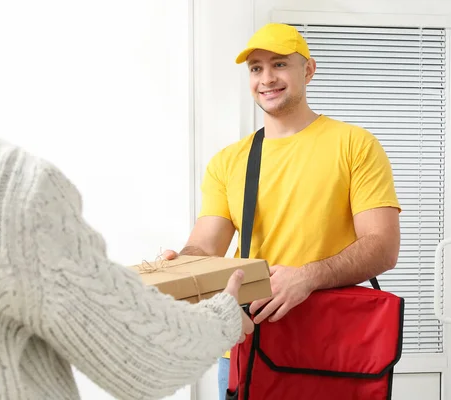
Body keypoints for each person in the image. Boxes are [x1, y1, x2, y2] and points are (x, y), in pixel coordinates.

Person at [163, 23, 402, 399]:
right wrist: (180, 267)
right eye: (256, 68)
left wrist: (308, 277)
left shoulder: (355, 144)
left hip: (331, 346)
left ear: (308, 70)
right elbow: (205, 248)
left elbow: (383, 246)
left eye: (279, 64)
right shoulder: (229, 161)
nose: (267, 78)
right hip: (248, 342)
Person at [0, 133, 254, 400]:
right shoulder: (16, 186)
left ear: (301, 87)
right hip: (243, 343)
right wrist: (223, 315)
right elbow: (146, 355)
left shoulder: (12, 186)